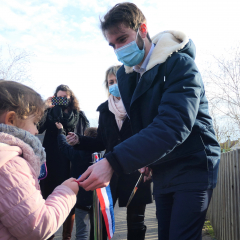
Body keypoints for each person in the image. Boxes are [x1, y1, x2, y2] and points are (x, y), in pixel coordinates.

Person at [78, 3, 221, 240]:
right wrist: (146, 161)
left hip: (193, 164)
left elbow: (173, 125)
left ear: (142, 29)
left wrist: (113, 161)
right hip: (163, 170)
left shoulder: (180, 65)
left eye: (123, 38)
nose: (118, 49)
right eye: (113, 45)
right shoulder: (126, 76)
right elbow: (143, 126)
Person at [68, 65, 152, 240]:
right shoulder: (104, 111)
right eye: (110, 82)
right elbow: (101, 141)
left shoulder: (139, 106)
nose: (114, 85)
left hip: (136, 170)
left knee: (136, 224)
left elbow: (149, 138)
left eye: (117, 80)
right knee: (101, 222)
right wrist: (79, 140)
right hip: (109, 173)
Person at [0, 80, 79, 240]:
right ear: (11, 119)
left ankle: (67, 235)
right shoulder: (11, 165)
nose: (36, 130)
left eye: (65, 98)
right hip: (50, 158)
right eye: (34, 123)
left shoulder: (75, 114)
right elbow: (37, 225)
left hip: (65, 159)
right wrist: (66, 192)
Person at [38, 84, 89, 240]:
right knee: (48, 196)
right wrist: (44, 107)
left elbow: (86, 135)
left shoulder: (79, 115)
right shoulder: (49, 113)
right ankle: (50, 234)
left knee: (70, 197)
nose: (62, 101)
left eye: (65, 98)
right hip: (52, 161)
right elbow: (38, 128)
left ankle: (66, 235)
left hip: (71, 161)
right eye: (58, 97)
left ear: (71, 98)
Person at [56, 124, 97, 240]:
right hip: (98, 198)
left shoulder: (78, 153)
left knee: (81, 231)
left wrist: (60, 132)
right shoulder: (101, 154)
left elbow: (63, 147)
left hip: (81, 198)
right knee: (97, 230)